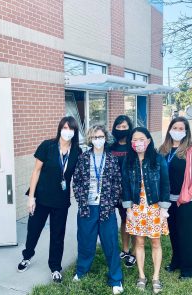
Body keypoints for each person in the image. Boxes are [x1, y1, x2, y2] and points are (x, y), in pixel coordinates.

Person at [17, 116, 82, 283]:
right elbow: (36, 171)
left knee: (57, 235)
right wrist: (31, 198)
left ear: (75, 132)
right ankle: (27, 256)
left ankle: (55, 267)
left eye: (71, 129)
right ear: (60, 128)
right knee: (33, 230)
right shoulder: (47, 146)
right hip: (42, 198)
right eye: (65, 127)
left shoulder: (77, 152)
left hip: (61, 201)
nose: (68, 131)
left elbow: (79, 176)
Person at [72, 125, 124, 295]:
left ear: (105, 138)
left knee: (110, 243)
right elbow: (77, 181)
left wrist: (111, 201)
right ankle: (81, 271)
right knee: (86, 241)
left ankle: (116, 278)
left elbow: (117, 182)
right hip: (87, 208)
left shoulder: (111, 159)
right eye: (94, 137)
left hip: (106, 208)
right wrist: (81, 199)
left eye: (100, 136)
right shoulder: (83, 158)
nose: (98, 140)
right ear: (90, 139)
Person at [122, 127, 170, 294]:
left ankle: (156, 277)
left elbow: (165, 184)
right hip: (136, 207)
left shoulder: (158, 159)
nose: (138, 142)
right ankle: (141, 275)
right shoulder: (128, 161)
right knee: (139, 242)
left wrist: (164, 209)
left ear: (148, 141)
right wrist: (128, 209)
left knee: (156, 242)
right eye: (135, 140)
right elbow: (126, 186)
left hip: (155, 207)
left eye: (141, 139)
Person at [159, 116, 192, 280]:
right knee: (173, 233)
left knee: (185, 234)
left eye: (181, 129)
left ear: (186, 132)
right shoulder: (163, 149)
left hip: (187, 200)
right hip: (168, 201)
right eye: (175, 128)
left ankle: (189, 268)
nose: (177, 131)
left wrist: (188, 194)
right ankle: (176, 261)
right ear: (169, 129)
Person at [110, 115, 136, 268]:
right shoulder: (111, 147)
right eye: (118, 127)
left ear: (129, 128)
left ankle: (133, 252)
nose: (121, 129)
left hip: (132, 191)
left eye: (124, 127)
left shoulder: (133, 146)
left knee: (133, 220)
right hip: (116, 192)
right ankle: (125, 249)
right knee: (124, 220)